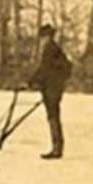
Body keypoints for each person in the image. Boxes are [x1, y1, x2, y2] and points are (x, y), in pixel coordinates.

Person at [27, 23, 72, 160]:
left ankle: (57, 149)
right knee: (53, 116)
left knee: (53, 116)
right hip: (54, 87)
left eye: (43, 37)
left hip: (52, 88)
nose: (41, 40)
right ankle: (57, 147)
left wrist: (32, 81)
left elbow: (44, 68)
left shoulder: (50, 49)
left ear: (47, 36)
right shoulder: (54, 49)